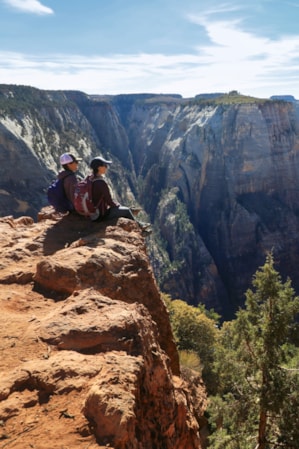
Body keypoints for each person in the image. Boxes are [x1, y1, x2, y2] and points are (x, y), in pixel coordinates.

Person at [90, 156, 151, 232]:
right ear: (99, 168)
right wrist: (117, 206)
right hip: (101, 215)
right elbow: (109, 201)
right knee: (126, 211)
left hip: (94, 212)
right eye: (105, 165)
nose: (107, 167)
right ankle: (140, 228)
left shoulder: (91, 178)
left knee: (125, 209)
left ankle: (139, 224)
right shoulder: (101, 183)